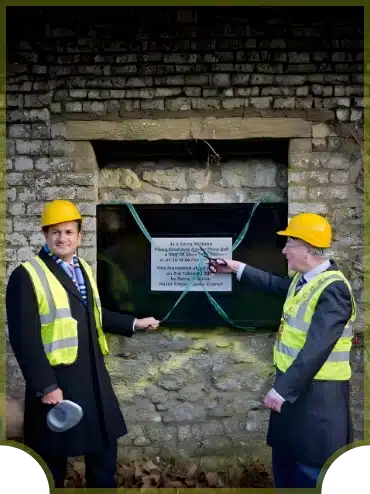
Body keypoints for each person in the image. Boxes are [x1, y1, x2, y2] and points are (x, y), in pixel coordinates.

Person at [6, 199, 160, 488]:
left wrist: (134, 323)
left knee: (103, 452)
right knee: (50, 464)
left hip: (93, 380)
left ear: (79, 236)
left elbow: (93, 315)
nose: (62, 238)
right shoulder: (27, 275)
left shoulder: (84, 270)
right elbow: (23, 338)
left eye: (68, 232)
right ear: (45, 236)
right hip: (57, 385)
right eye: (55, 232)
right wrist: (46, 386)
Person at [207, 212, 356, 489]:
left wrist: (282, 390)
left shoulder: (333, 290)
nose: (284, 250)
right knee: (286, 466)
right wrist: (236, 268)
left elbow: (317, 347)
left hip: (318, 398)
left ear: (309, 249)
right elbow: (275, 285)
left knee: (312, 473)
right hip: (295, 392)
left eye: (290, 244)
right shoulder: (304, 282)